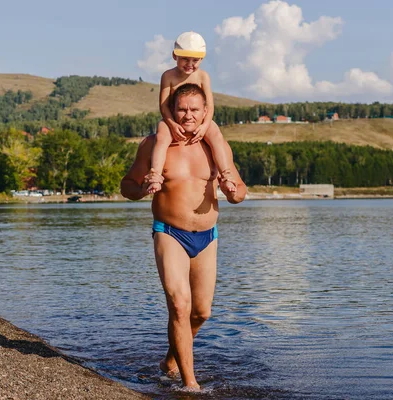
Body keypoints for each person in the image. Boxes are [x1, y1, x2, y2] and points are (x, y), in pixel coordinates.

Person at [120, 83, 246, 391]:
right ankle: (191, 386)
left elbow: (240, 192)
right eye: (182, 109)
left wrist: (233, 192)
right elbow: (127, 186)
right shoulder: (155, 144)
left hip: (207, 236)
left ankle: (170, 361)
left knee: (201, 312)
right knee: (179, 305)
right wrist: (143, 187)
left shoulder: (216, 147)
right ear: (171, 110)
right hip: (169, 233)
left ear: (206, 111)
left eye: (194, 109)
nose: (188, 115)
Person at [147, 31, 236, 194]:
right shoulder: (168, 76)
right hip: (173, 119)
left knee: (216, 135)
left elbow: (209, 106)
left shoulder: (203, 76)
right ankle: (155, 175)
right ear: (175, 56)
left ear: (201, 59)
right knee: (161, 136)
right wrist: (172, 124)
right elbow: (164, 105)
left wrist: (205, 126)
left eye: (195, 60)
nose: (190, 64)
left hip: (201, 120)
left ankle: (226, 175)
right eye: (185, 59)